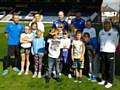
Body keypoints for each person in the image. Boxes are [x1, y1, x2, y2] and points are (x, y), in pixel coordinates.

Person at [98, 20, 119, 88]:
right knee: (103, 67)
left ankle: (110, 82)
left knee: (110, 68)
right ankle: (104, 79)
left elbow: (116, 42)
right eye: (105, 24)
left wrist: (112, 48)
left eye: (107, 24)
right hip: (102, 51)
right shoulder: (101, 32)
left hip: (110, 52)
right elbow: (99, 40)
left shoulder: (114, 32)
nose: (106, 25)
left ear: (110, 25)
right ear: (103, 25)